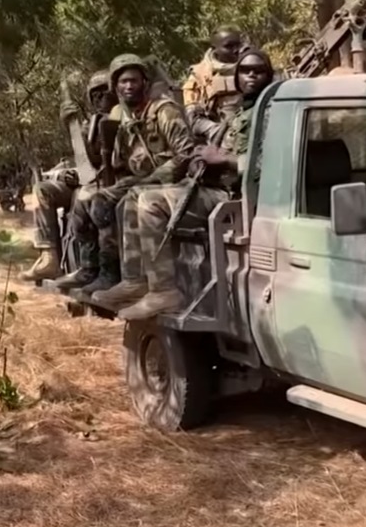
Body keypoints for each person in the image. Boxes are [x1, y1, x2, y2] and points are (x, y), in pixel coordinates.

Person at [110, 47, 275, 320]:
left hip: (236, 197)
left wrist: (226, 160)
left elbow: (274, 164)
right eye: (245, 71)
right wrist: (203, 160)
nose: (251, 76)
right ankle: (136, 280)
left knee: (150, 204)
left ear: (269, 76)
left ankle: (164, 291)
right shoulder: (239, 113)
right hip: (213, 187)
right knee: (134, 196)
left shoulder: (272, 112)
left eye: (258, 71)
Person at [76, 53, 195, 299]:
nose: (129, 86)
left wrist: (151, 178)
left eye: (134, 80)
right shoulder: (123, 117)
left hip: (171, 180)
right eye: (123, 82)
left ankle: (137, 279)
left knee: (130, 199)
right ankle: (110, 272)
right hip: (141, 179)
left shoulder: (163, 110)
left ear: (144, 82)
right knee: (98, 200)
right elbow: (117, 162)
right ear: (115, 87)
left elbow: (186, 155)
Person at [20, 70, 109, 282]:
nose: (99, 99)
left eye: (104, 93)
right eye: (94, 95)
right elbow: (85, 161)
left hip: (108, 183)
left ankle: (91, 267)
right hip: (89, 178)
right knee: (43, 190)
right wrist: (72, 126)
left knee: (83, 195)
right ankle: (49, 257)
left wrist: (86, 176)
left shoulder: (124, 118)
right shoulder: (92, 125)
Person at [182, 26, 245, 142]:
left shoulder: (252, 67)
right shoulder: (199, 76)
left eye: (238, 45)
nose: (236, 50)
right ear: (214, 49)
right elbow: (192, 118)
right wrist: (215, 131)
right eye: (229, 46)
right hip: (218, 139)